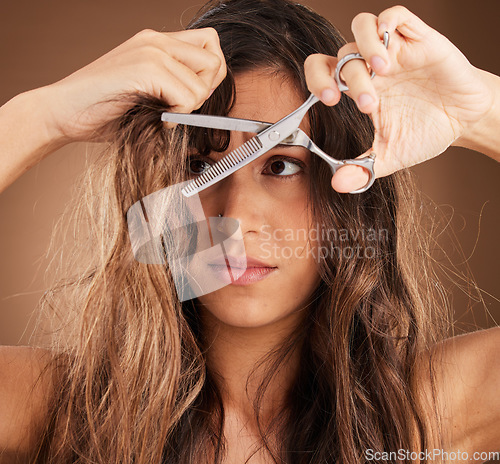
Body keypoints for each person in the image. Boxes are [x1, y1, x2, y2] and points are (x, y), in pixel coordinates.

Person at [0, 0, 498, 462]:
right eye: (198, 163)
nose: (234, 217)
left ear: (347, 197)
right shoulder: (68, 412)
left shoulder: (424, 412)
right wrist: (41, 115)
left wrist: (476, 113)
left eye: (281, 166)